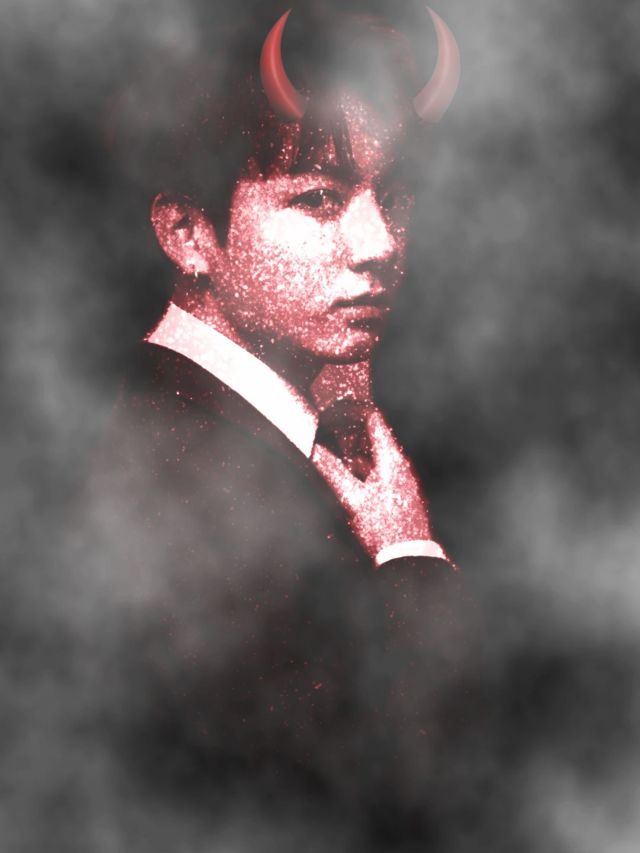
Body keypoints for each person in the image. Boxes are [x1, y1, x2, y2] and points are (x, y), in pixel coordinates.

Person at [95, 3, 470, 846]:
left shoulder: (212, 426)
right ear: (189, 234)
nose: (379, 244)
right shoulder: (177, 464)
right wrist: (407, 551)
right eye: (320, 199)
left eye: (392, 197)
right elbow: (402, 795)